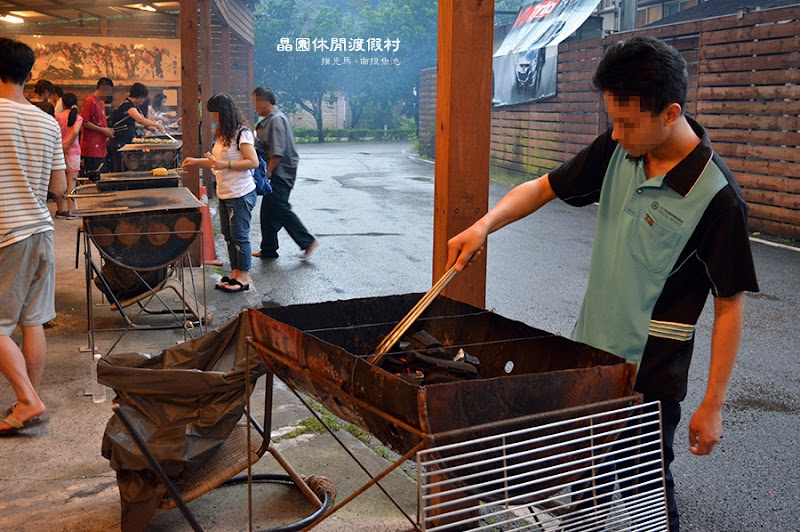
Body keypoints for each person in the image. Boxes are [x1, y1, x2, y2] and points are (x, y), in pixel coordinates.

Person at [446, 37, 759, 532]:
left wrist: (713, 405)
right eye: (611, 119)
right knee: (590, 488)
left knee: (648, 501)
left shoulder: (717, 199)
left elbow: (729, 306)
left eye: (628, 122)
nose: (615, 134)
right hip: (588, 358)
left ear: (671, 112)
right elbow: (544, 186)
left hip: (647, 379)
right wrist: (483, 225)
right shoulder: (620, 149)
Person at [0, 38, 67, 436]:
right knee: (32, 321)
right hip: (41, 230)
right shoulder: (46, 120)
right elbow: (59, 186)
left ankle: (28, 399)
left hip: (7, 232)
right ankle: (31, 399)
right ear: (29, 75)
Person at [182, 93, 258, 293]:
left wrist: (227, 164)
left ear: (223, 112)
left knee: (240, 236)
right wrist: (196, 161)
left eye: (214, 113)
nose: (212, 117)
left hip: (241, 193)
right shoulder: (222, 134)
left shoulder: (242, 133)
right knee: (228, 235)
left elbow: (253, 162)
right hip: (225, 192)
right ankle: (235, 272)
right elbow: (216, 162)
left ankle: (244, 276)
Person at [251, 86, 319, 260]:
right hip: (275, 172)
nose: (254, 107)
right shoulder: (270, 120)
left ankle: (307, 241)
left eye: (255, 103)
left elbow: (277, 153)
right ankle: (268, 249)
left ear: (263, 101)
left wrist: (268, 173)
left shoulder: (276, 120)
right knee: (267, 212)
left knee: (281, 209)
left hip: (280, 173)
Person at [108, 83, 166, 172]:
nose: (143, 100)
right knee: (120, 169)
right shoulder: (128, 106)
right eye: (143, 97)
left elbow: (132, 123)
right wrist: (156, 125)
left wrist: (146, 128)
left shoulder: (131, 105)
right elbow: (139, 119)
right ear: (139, 96)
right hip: (119, 142)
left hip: (123, 141)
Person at [54, 92, 82, 219]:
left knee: (59, 181)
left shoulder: (57, 117)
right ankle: (71, 211)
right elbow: (76, 132)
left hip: (58, 152)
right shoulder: (78, 117)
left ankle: (60, 209)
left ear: (63, 104)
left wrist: (63, 146)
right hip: (73, 153)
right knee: (71, 182)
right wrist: (68, 145)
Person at [80, 77, 115, 177]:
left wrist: (107, 130)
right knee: (94, 178)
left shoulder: (100, 103)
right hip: (92, 148)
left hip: (101, 147)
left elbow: (100, 123)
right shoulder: (90, 102)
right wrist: (103, 130)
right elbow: (84, 121)